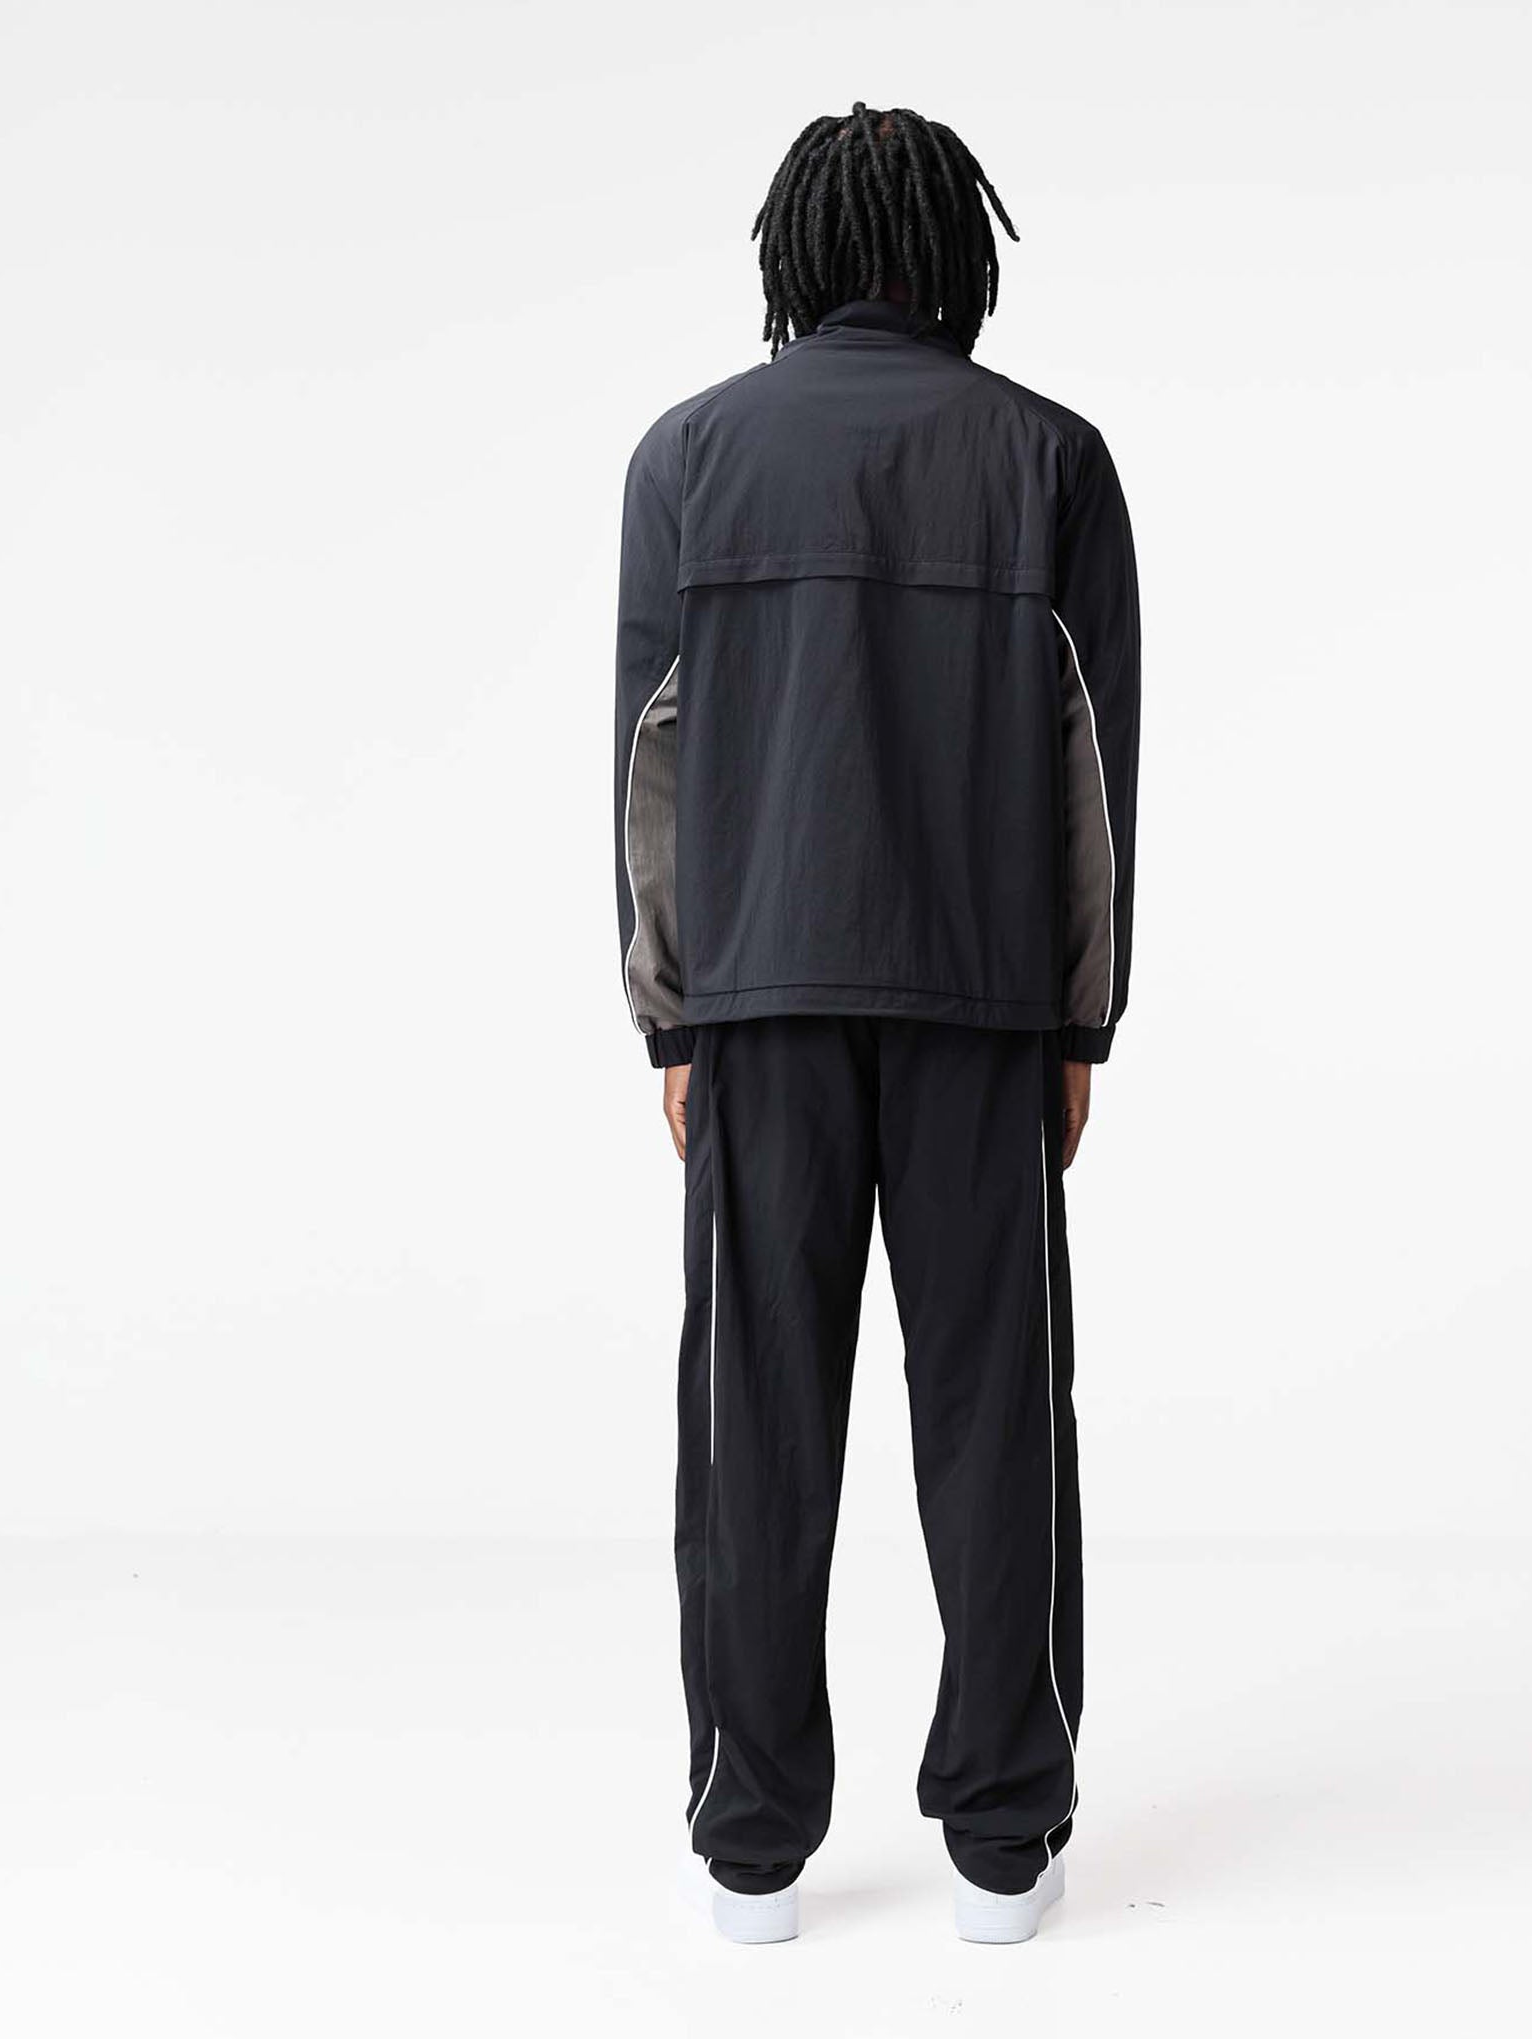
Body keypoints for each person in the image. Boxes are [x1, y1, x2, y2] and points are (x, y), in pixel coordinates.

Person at [612, 102, 1139, 1945]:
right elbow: (1093, 774)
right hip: (983, 1006)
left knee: (755, 1420)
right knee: (996, 1417)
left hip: (758, 1005)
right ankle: (1002, 1838)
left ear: (797, 255)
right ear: (953, 256)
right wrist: (1079, 1024)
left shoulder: (688, 458)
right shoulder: (1050, 460)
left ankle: (750, 1843)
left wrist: (674, 1025)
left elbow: (650, 766)